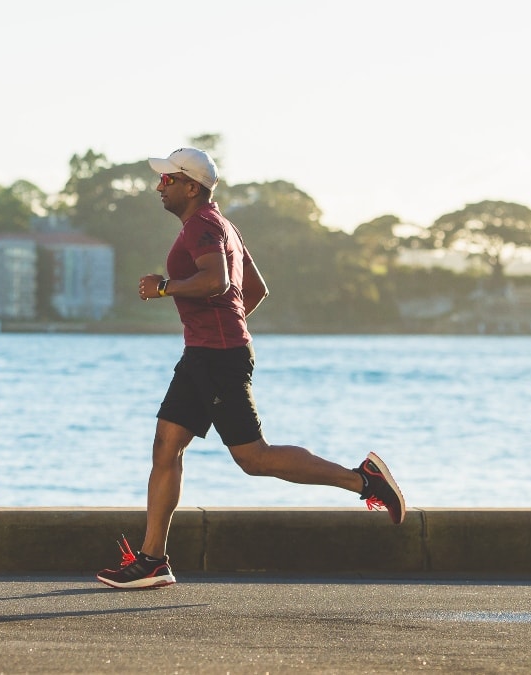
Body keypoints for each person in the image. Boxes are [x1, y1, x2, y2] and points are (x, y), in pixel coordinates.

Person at [96, 148, 405, 589]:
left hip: (216, 358)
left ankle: (364, 481)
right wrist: (224, 326)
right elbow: (254, 289)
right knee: (166, 447)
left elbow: (219, 282)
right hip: (206, 354)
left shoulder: (203, 226)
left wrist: (166, 288)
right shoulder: (223, 226)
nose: (159, 186)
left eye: (167, 180)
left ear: (191, 186)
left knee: (253, 458)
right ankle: (152, 560)